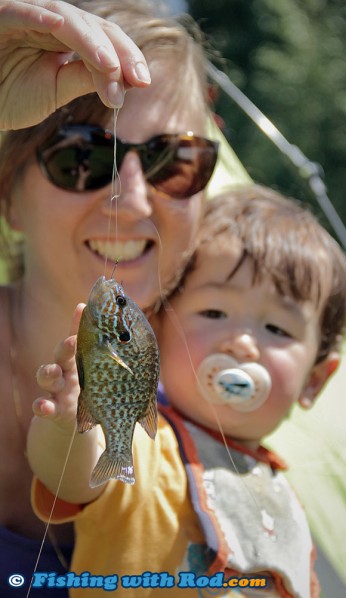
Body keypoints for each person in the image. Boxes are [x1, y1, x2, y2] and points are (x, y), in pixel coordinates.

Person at [27, 185, 346, 597]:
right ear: (160, 331)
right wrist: (67, 424)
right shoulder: (147, 447)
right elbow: (73, 477)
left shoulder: (279, 494)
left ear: (314, 380)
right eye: (214, 312)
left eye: (276, 329)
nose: (242, 343)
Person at [0, 0, 219, 594]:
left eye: (175, 161)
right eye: (82, 157)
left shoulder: (222, 373)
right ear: (9, 197)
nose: (136, 201)